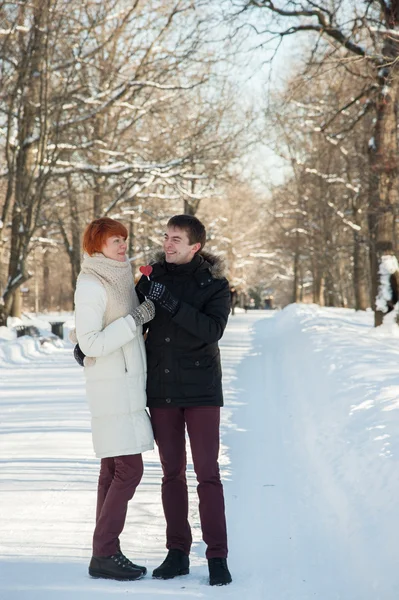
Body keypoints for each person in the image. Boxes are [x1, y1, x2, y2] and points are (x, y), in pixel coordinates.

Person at [137, 214, 232, 586]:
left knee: (207, 474)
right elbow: (133, 323)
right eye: (166, 236)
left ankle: (217, 556)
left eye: (177, 238)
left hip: (202, 391)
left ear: (196, 246)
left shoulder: (215, 285)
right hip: (162, 390)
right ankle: (177, 552)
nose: (168, 243)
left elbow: (212, 330)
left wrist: (171, 303)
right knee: (171, 474)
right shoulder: (150, 279)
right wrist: (92, 343)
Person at [74, 217, 155, 581]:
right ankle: (104, 551)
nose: (122, 246)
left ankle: (104, 551)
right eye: (113, 242)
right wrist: (135, 320)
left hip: (126, 385)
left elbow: (127, 328)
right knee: (129, 470)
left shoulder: (121, 278)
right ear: (96, 247)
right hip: (111, 388)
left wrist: (141, 318)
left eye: (124, 239)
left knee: (112, 470)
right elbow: (89, 342)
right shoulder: (92, 284)